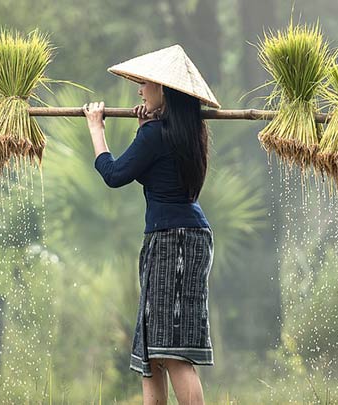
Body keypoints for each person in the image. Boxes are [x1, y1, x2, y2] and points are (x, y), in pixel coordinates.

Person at [82, 44, 221, 405]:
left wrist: (96, 128)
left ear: (164, 91)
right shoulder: (186, 134)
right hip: (183, 236)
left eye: (145, 83)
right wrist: (145, 128)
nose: (139, 90)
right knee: (152, 351)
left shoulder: (156, 135)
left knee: (171, 350)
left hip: (173, 240)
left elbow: (114, 174)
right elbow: (155, 167)